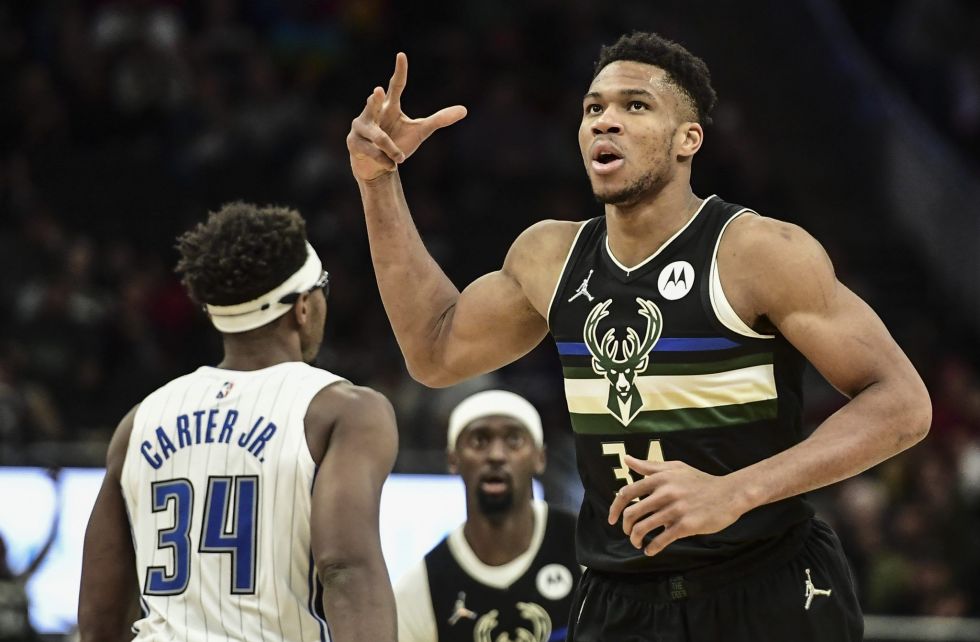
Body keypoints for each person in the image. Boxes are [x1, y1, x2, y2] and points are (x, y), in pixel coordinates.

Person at [346, 32, 932, 641]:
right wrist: (378, 181)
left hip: (766, 585)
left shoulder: (757, 252)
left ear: (687, 140)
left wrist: (735, 492)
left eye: (635, 105)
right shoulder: (549, 258)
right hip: (620, 600)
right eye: (593, 108)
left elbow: (903, 404)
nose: (606, 121)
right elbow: (434, 352)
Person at [77, 203, 399, 642]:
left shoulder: (139, 421)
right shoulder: (344, 411)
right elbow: (345, 569)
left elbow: (100, 612)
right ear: (303, 307)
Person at [394, 390, 580, 642]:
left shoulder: (586, 547)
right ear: (453, 459)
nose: (496, 456)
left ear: (540, 458)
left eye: (514, 440)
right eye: (479, 440)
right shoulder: (421, 588)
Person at [0, 468, 60, 642]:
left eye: (2, 551)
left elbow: (49, 542)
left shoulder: (19, 580)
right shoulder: (19, 581)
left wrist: (58, 493)